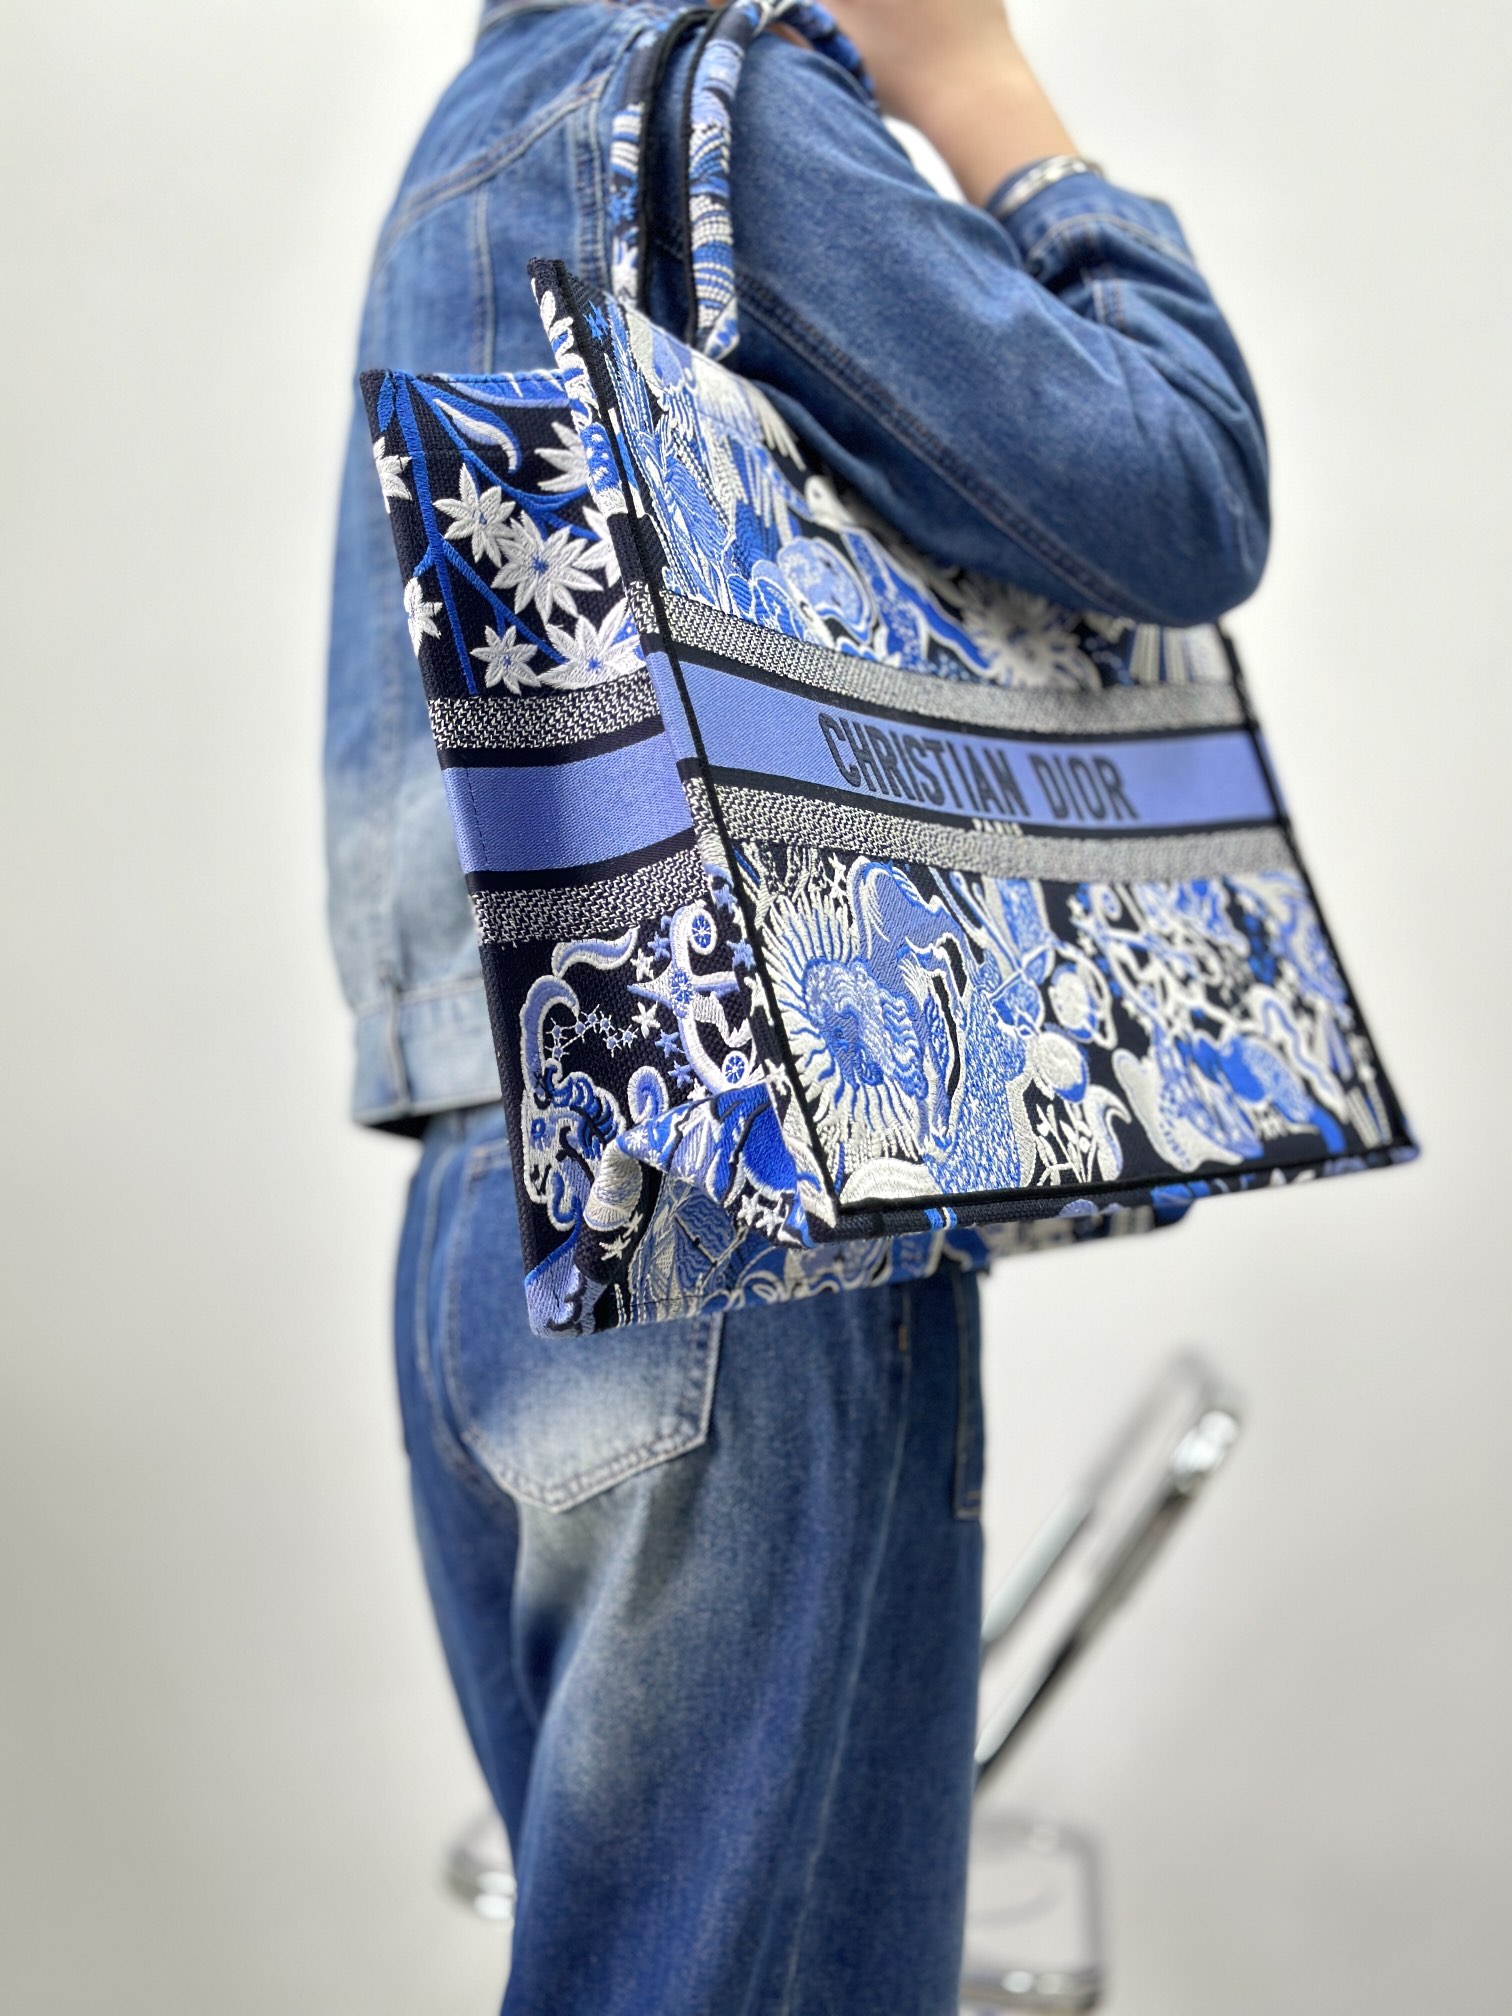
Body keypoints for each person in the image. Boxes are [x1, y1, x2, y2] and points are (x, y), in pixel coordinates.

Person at [325, 2, 1268, 2009]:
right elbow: (1186, 489)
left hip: (493, 1208)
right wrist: (987, 96)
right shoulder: (721, 106)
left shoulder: (470, 146)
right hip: (729, 1210)